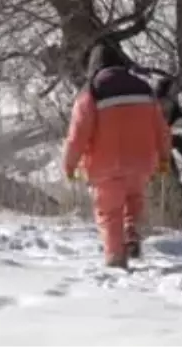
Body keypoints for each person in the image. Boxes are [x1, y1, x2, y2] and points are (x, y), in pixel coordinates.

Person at [63, 42, 172, 269]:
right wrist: (163, 158)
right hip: (142, 161)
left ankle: (115, 260)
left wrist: (69, 165)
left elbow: (78, 133)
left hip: (107, 164)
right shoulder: (144, 89)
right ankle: (131, 235)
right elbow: (161, 128)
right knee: (134, 199)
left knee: (110, 212)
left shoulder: (92, 91)